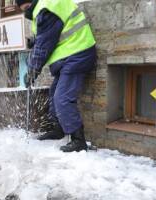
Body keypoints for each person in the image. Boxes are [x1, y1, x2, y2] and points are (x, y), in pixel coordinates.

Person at [16, 0, 97, 152]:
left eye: (26, 7)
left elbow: (44, 46)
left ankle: (78, 140)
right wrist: (35, 40)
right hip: (69, 54)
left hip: (77, 53)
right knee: (54, 95)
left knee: (62, 98)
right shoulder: (46, 5)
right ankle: (58, 129)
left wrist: (33, 71)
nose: (26, 11)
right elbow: (52, 32)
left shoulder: (46, 9)